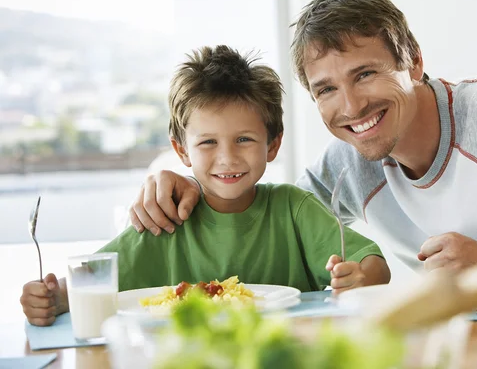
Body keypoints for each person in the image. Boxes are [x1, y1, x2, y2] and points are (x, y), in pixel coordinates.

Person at [129, 0, 477, 274]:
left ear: (413, 62)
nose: (352, 107)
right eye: (326, 89)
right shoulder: (347, 169)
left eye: (366, 74)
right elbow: (268, 215)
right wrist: (186, 183)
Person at [20, 45, 390, 326]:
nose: (227, 158)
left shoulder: (294, 209)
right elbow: (93, 281)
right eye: (208, 142)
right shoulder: (164, 219)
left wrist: (360, 277)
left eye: (244, 139)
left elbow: (372, 264)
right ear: (181, 150)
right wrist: (53, 299)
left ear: (273, 144)